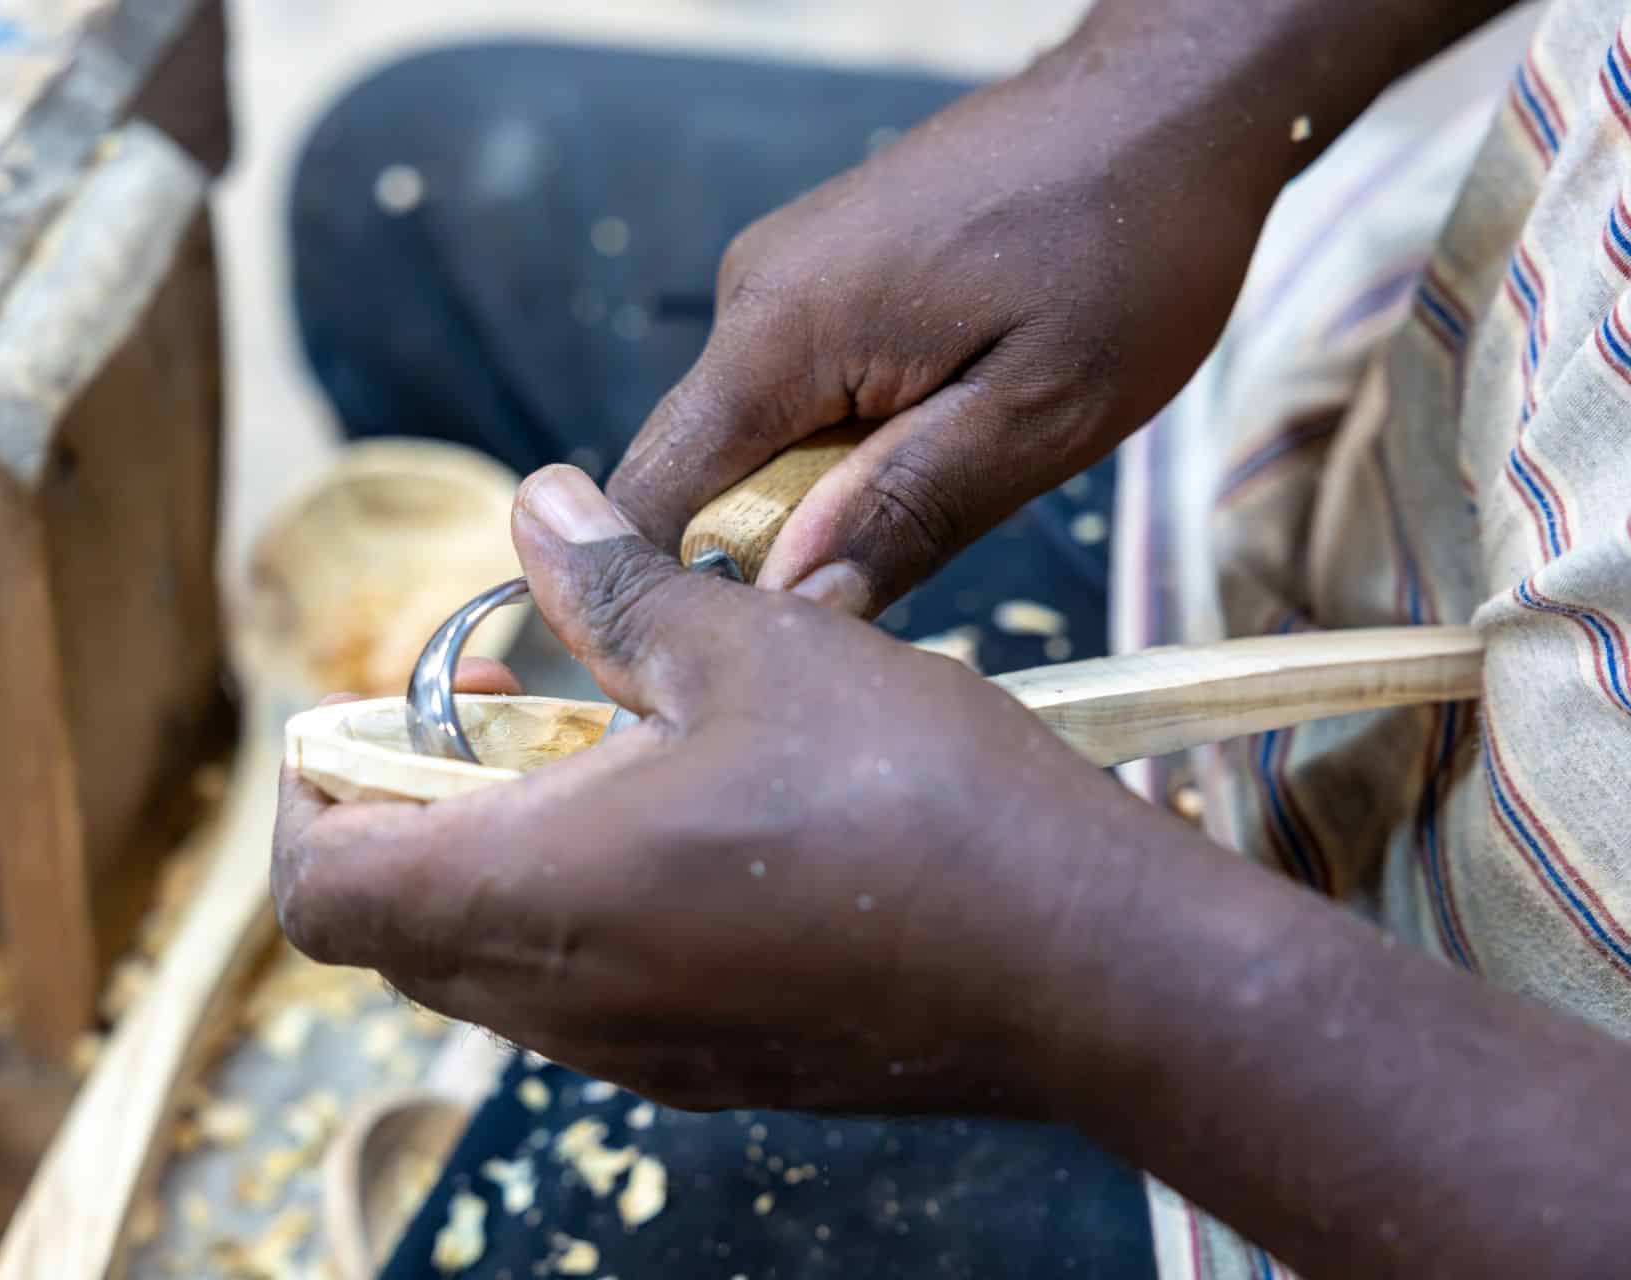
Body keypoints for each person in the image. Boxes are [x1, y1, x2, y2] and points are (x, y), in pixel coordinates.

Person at [275, 0, 1631, 1275]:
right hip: (1368, 409)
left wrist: (1080, 969)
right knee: (406, 197)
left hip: (1414, 1117)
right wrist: (1187, 89)